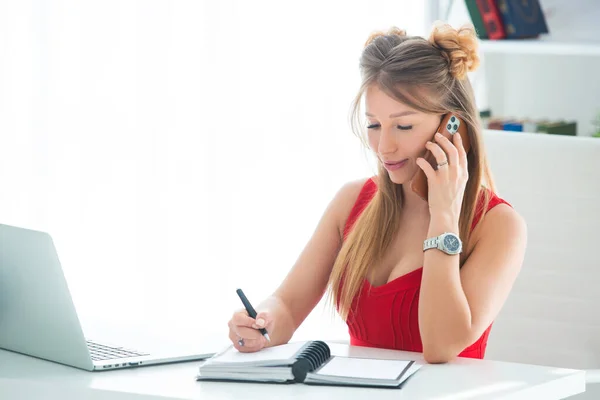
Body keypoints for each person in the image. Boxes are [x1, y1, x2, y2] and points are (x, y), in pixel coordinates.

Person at [226, 21, 527, 364]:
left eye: (403, 126)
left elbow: (441, 347)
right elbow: (287, 305)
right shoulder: (352, 202)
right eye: (373, 125)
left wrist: (444, 216)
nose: (384, 147)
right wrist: (259, 323)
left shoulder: (499, 225)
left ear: (452, 127)